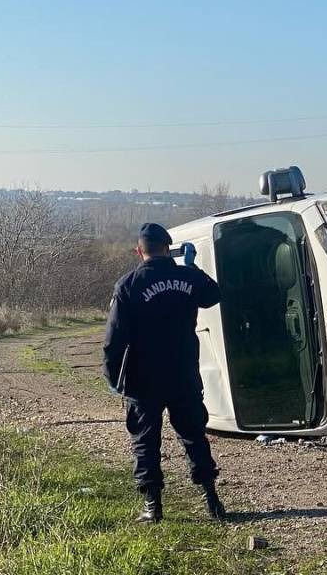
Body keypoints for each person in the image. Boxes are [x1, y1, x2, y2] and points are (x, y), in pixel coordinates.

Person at [103, 223, 227, 522]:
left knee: (146, 439)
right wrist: (191, 268)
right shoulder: (186, 276)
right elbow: (213, 294)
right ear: (167, 248)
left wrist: (111, 375)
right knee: (193, 434)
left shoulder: (129, 284)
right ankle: (212, 500)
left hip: (143, 377)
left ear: (138, 251)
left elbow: (115, 336)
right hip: (183, 372)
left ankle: (152, 507)